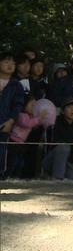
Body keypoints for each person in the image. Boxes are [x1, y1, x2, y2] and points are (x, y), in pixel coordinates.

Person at [43, 97, 73, 181]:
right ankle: (57, 179)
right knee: (63, 147)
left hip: (68, 163)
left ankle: (58, 177)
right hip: (52, 160)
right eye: (69, 107)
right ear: (62, 111)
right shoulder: (55, 122)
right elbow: (57, 143)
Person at [6, 95, 47, 177]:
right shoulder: (21, 115)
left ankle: (16, 177)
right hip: (14, 142)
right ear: (24, 105)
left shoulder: (31, 117)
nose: (34, 107)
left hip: (21, 143)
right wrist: (39, 118)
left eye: (35, 106)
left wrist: (42, 120)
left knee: (20, 163)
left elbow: (34, 125)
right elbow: (26, 124)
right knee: (13, 162)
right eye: (32, 105)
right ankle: (7, 177)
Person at [0, 52, 25, 180]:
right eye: (6, 61)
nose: (10, 65)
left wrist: (10, 121)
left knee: (2, 151)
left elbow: (18, 105)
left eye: (13, 63)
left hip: (5, 123)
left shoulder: (16, 85)